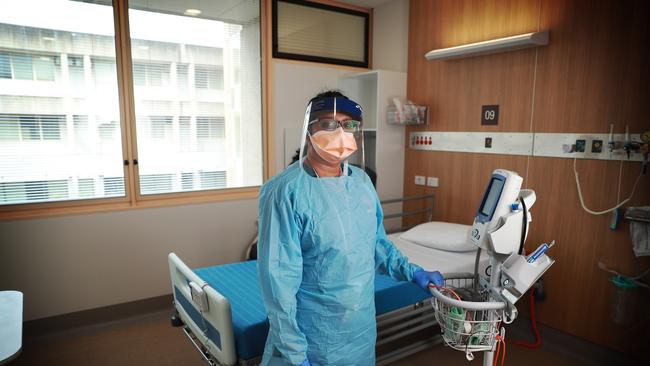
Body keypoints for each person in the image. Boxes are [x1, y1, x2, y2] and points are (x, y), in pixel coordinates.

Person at [257, 90, 443, 366]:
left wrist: (412, 270)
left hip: (359, 332)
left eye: (349, 125)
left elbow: (377, 244)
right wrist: (295, 355)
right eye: (329, 124)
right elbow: (278, 284)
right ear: (310, 129)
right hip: (312, 337)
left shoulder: (362, 183)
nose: (340, 133)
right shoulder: (285, 192)